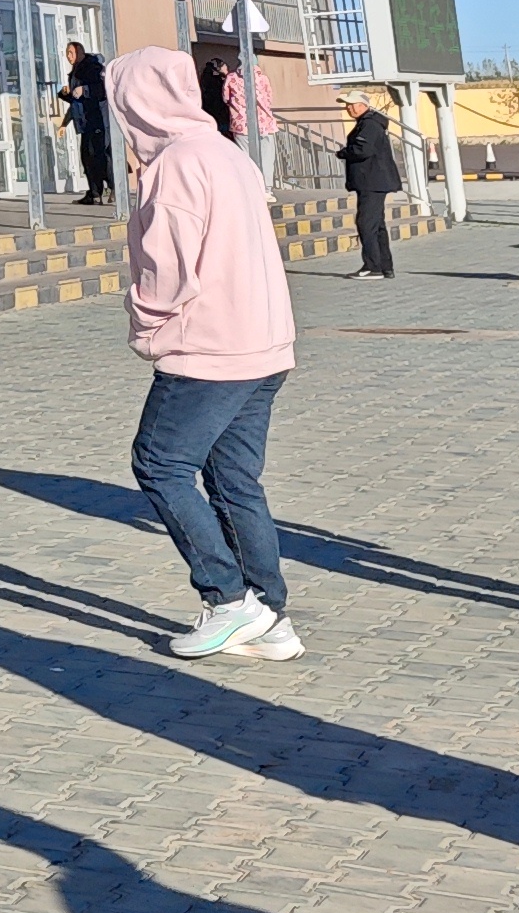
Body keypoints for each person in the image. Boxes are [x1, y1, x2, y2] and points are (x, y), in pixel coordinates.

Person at [119, 46, 302, 659]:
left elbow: (167, 267)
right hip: (263, 343)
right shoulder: (228, 152)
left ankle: (226, 599)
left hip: (210, 347)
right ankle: (269, 615)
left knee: (160, 463)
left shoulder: (174, 165)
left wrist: (146, 323)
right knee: (233, 478)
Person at [337, 90, 402, 280]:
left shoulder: (370, 124)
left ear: (363, 105)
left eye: (353, 104)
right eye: (347, 105)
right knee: (376, 225)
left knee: (366, 224)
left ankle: (372, 267)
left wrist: (344, 152)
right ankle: (384, 266)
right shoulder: (368, 123)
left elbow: (362, 149)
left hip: (372, 181)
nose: (349, 108)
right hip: (372, 181)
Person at [61, 42, 116, 206]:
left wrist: (84, 89)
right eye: (67, 53)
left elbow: (101, 91)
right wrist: (65, 95)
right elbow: (75, 101)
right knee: (87, 158)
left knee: (101, 156)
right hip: (84, 122)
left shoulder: (92, 68)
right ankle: (94, 194)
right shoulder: (75, 73)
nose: (68, 57)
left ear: (80, 53)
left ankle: (114, 188)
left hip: (97, 119)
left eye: (71, 53)